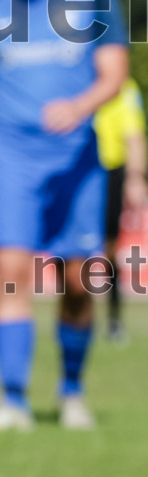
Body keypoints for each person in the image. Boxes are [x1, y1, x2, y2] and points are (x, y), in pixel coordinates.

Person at [0, 0, 128, 432]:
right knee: (10, 277)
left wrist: (78, 107)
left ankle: (72, 390)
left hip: (76, 163)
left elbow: (114, 74)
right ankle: (13, 401)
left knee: (79, 282)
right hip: (10, 159)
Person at [93, 76, 147, 341]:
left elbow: (134, 133)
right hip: (77, 172)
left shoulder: (124, 87)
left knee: (110, 248)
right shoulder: (76, 79)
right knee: (70, 250)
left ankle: (113, 319)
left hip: (110, 172)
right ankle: (73, 319)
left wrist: (136, 176)